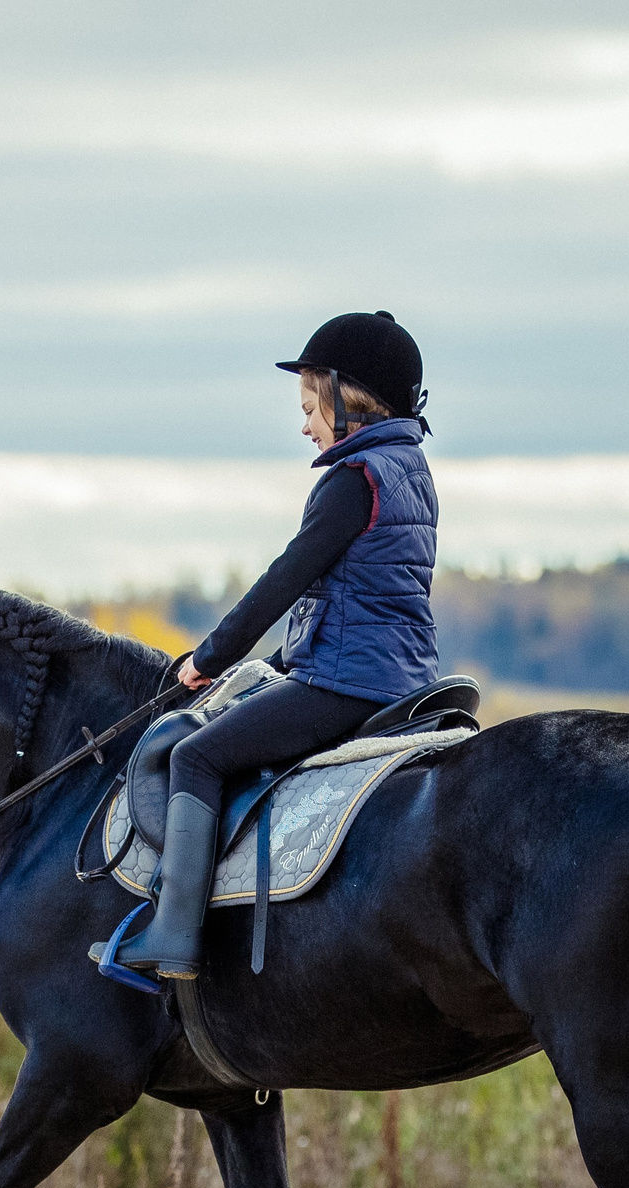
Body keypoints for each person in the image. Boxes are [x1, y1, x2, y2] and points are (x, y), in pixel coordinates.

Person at [110, 310, 439, 979]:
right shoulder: (409, 468)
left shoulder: (353, 480)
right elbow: (365, 595)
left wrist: (207, 659)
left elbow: (285, 580)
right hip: (405, 674)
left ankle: (173, 934)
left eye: (311, 406)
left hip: (347, 681)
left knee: (198, 756)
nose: (305, 425)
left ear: (350, 401)